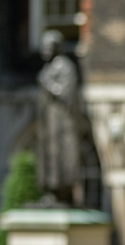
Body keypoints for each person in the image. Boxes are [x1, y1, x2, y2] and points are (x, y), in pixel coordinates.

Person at [35, 30, 87, 207]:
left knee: (61, 158)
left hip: (62, 124)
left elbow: (66, 94)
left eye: (48, 47)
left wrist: (47, 84)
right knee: (48, 157)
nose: (44, 51)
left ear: (57, 48)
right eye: (43, 47)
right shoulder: (47, 69)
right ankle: (51, 194)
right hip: (49, 123)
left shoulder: (65, 67)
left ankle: (63, 194)